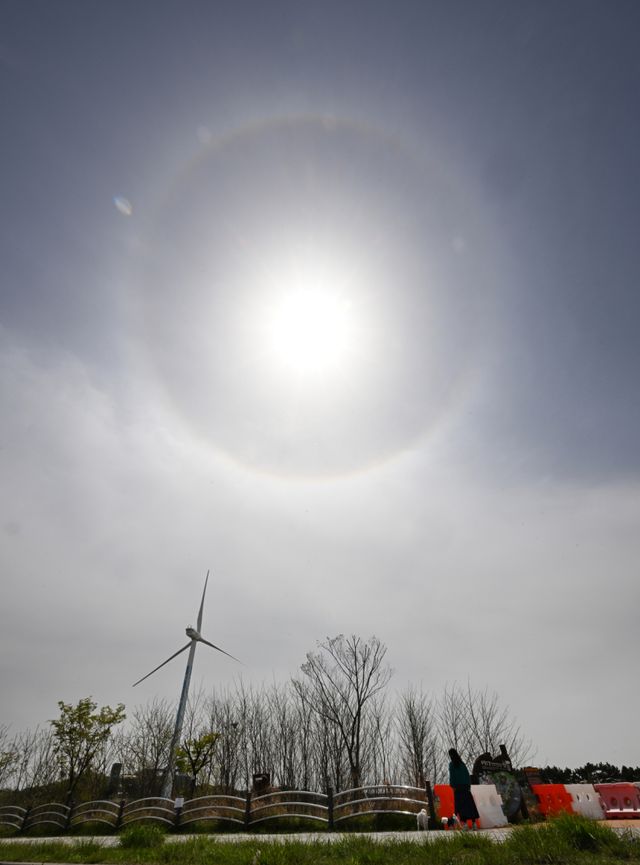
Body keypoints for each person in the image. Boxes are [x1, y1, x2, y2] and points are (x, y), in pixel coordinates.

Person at [448, 748, 480, 830]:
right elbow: (467, 775)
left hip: (458, 789)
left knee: (461, 807)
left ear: (450, 755)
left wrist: (452, 786)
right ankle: (474, 824)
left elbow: (452, 776)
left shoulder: (452, 765)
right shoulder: (462, 764)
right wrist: (468, 786)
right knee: (470, 806)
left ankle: (465, 825)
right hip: (466, 788)